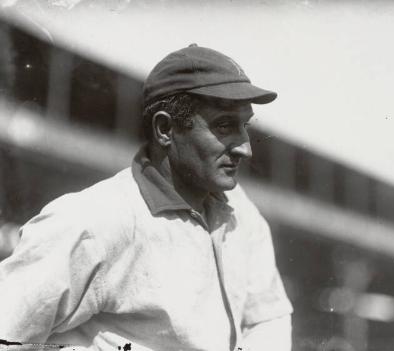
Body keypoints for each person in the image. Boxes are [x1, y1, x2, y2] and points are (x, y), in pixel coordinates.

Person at [0, 44, 293, 351]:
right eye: (224, 125)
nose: (245, 148)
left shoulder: (240, 212)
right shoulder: (93, 220)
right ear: (165, 129)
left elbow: (268, 316)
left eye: (244, 126)